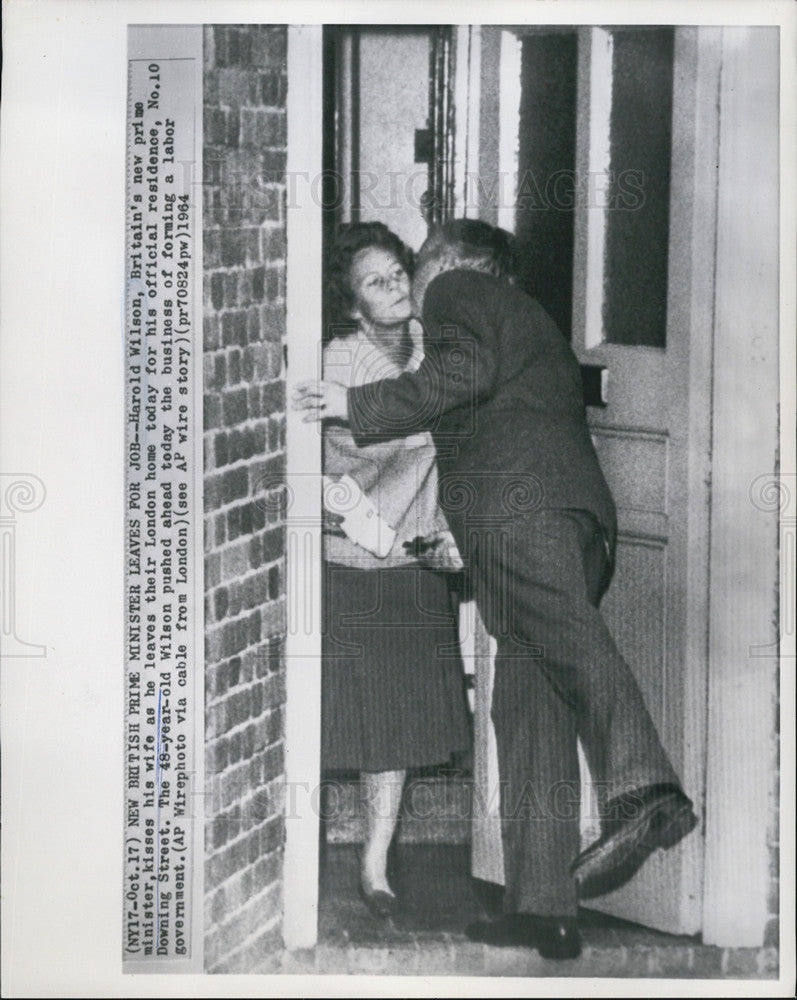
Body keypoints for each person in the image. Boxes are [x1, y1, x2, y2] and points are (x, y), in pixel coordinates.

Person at [295, 219, 698, 959]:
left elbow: (459, 380)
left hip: (528, 515)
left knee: (572, 644)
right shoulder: (513, 320)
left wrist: (350, 406)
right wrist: (460, 534)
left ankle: (643, 783)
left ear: (452, 262)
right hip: (551, 518)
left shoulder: (458, 286)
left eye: (418, 264)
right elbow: (487, 415)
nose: (414, 281)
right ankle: (542, 908)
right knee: (528, 708)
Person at [318, 222, 470, 919]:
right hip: (353, 561)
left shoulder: (432, 352)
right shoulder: (341, 361)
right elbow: (368, 446)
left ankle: (375, 865)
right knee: (350, 716)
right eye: (376, 282)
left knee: (399, 724)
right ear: (351, 305)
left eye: (400, 274)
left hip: (414, 560)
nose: (397, 288)